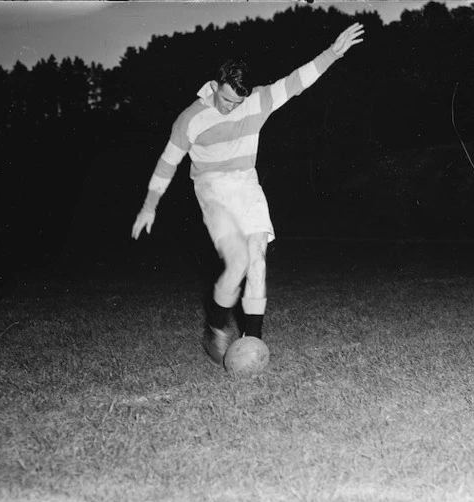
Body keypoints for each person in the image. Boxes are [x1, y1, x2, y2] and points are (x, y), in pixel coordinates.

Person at [132, 23, 364, 366]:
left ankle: (253, 345)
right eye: (225, 100)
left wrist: (333, 52)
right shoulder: (190, 119)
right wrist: (149, 205)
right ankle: (215, 325)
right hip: (213, 189)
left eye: (237, 102)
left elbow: (296, 81)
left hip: (247, 185)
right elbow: (168, 162)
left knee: (257, 262)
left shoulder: (256, 101)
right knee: (237, 261)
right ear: (215, 84)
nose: (230, 107)